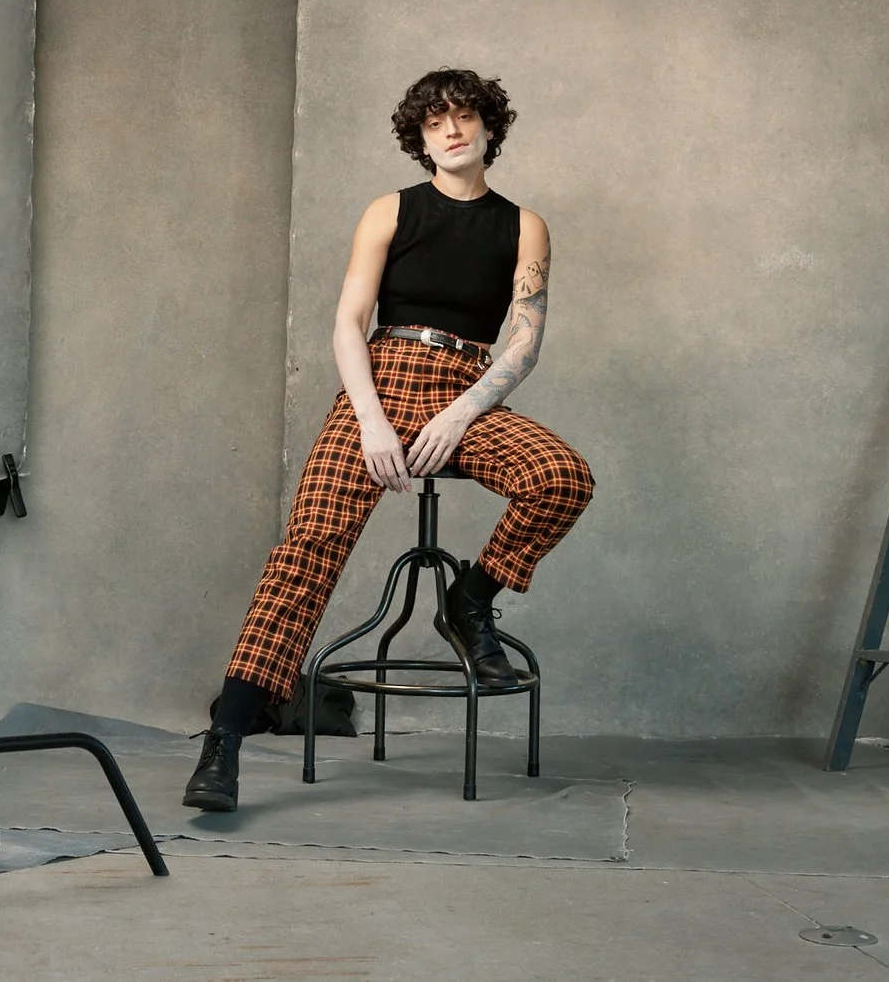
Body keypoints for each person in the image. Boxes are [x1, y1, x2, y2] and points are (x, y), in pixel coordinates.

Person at [184, 68, 595, 812]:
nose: (451, 129)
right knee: (307, 550)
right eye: (435, 121)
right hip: (381, 379)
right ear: (419, 136)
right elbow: (349, 322)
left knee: (560, 475)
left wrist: (462, 412)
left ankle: (467, 604)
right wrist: (372, 418)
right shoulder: (390, 210)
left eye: (464, 116)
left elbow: (524, 341)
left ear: (490, 127)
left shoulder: (524, 225)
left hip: (465, 390)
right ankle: (227, 738)